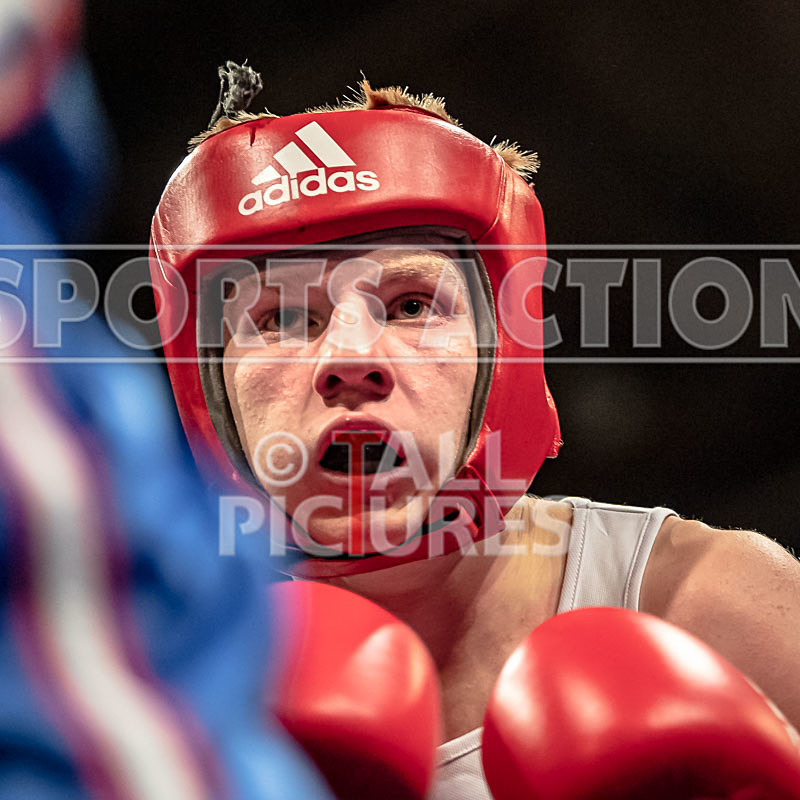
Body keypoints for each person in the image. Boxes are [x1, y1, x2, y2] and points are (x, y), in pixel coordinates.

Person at [149, 64, 800, 798]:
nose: (352, 360)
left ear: (504, 349)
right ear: (212, 384)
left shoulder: (706, 601)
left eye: (411, 304)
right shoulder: (150, 689)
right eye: (281, 318)